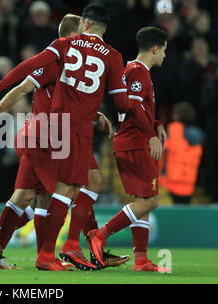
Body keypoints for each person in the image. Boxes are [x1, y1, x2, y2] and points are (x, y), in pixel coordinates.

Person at [0, 4, 129, 271]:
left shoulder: (68, 58)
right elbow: (22, 89)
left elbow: (72, 97)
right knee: (74, 188)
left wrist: (94, 114)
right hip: (51, 135)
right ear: (75, 33)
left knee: (27, 195)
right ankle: (74, 248)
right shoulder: (59, 61)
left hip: (46, 134)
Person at [86, 26, 171, 272]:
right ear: (155, 48)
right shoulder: (138, 72)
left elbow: (137, 107)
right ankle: (100, 235)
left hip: (129, 140)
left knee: (142, 199)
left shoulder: (133, 71)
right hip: (134, 142)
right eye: (164, 50)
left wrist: (155, 124)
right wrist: (150, 136)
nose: (164, 55)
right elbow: (132, 107)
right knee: (151, 201)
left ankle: (141, 259)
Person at [159, 102, 204, 204]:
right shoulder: (199, 134)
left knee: (175, 212)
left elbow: (161, 150)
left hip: (172, 180)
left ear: (176, 114)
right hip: (190, 180)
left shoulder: (173, 129)